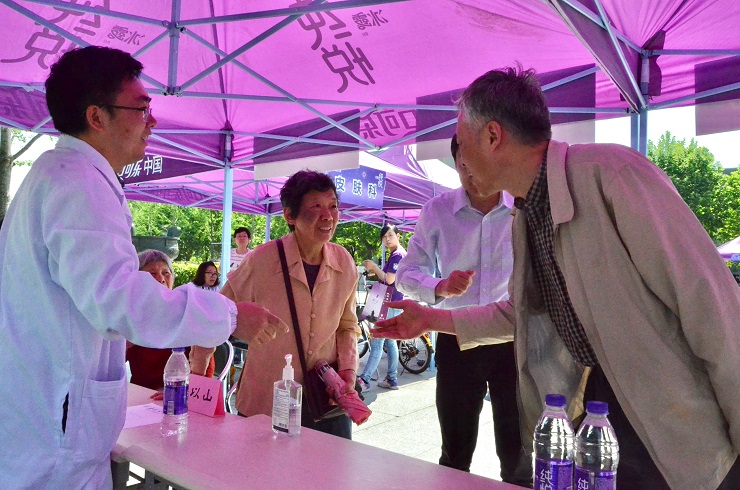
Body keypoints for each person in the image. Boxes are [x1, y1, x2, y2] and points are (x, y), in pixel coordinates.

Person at [374, 67, 740, 489]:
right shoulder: (527, 211)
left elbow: (713, 308)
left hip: (669, 423)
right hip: (600, 412)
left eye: (462, 138)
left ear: (492, 136)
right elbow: (521, 312)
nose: (460, 157)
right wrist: (431, 317)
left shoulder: (612, 175)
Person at [0, 46, 287, 488]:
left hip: (48, 421)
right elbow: (120, 300)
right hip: (57, 440)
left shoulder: (60, 174)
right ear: (97, 117)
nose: (152, 122)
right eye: (141, 108)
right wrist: (229, 317)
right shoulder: (78, 183)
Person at [395, 135, 530, 484]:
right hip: (455, 337)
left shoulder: (522, 206)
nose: (471, 174)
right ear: (455, 163)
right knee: (455, 451)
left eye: (477, 163)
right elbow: (406, 274)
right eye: (463, 165)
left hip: (510, 338)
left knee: (518, 454)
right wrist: (439, 286)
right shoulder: (437, 211)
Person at [221, 170, 360, 439]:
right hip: (267, 399)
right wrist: (196, 376)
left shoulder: (344, 262)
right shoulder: (262, 259)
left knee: (328, 466)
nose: (328, 216)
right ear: (289, 215)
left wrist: (347, 371)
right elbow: (217, 311)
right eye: (316, 207)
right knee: (264, 465)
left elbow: (347, 325)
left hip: (326, 398)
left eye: (333, 206)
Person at [357, 224, 406, 391]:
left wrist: (375, 267)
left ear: (398, 236)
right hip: (392, 302)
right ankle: (392, 378)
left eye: (390, 235)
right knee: (390, 341)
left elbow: (390, 279)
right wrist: (376, 274)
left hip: (389, 303)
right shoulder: (397, 254)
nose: (387, 239)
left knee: (378, 341)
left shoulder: (397, 255)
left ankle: (365, 379)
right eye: (384, 237)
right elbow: (386, 278)